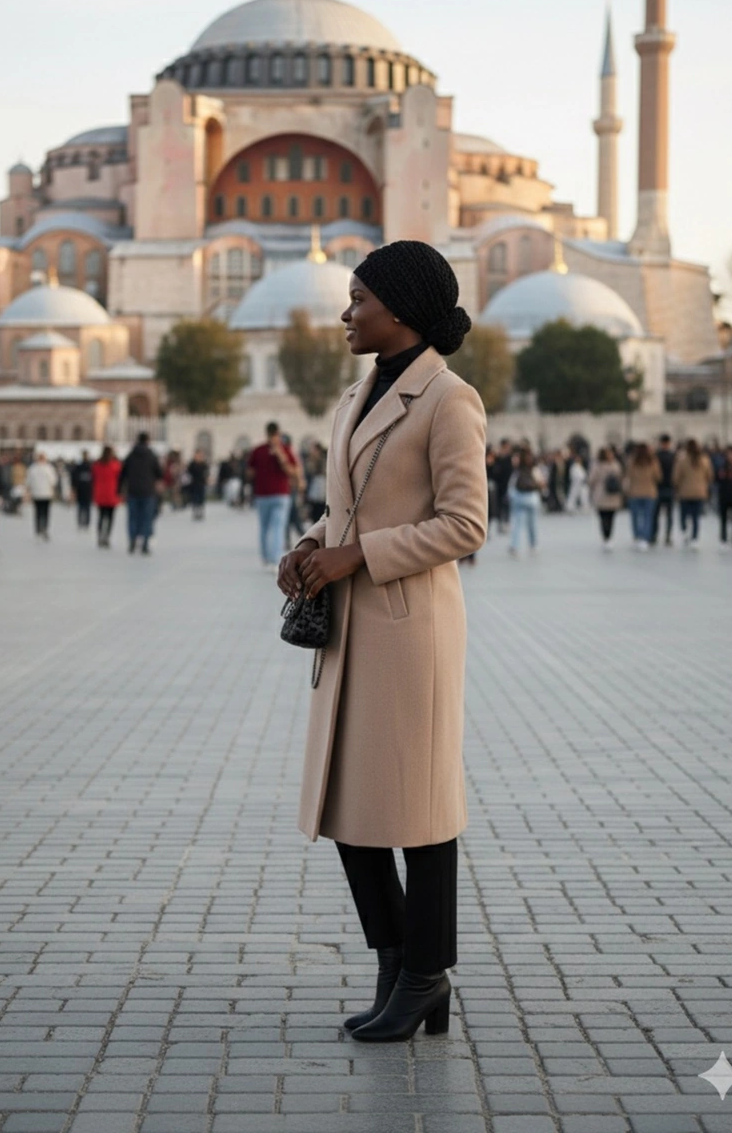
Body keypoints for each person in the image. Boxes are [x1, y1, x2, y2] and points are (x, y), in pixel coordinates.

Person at [278, 239, 487, 1043]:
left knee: (421, 814)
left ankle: (427, 974)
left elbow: (464, 525)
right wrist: (306, 547)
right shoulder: (356, 393)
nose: (345, 313)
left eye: (359, 299)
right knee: (348, 806)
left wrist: (356, 555)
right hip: (349, 629)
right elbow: (348, 506)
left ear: (398, 310)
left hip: (408, 632)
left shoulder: (448, 399)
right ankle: (396, 962)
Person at [247, 423, 298, 569]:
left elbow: (291, 471)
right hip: (265, 495)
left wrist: (280, 456)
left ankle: (273, 558)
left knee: (275, 527)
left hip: (278, 495)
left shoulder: (283, 450)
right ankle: (268, 558)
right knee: (267, 527)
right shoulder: (259, 450)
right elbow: (250, 472)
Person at [118, 432, 163, 554]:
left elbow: (122, 474)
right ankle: (145, 543)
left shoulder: (130, 456)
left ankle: (132, 541)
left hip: (133, 491)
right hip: (148, 492)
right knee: (146, 518)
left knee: (133, 517)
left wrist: (119, 489)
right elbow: (159, 473)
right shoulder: (151, 456)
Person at [673, 439, 714, 548]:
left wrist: (678, 486)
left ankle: (684, 530)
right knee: (696, 517)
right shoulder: (705, 460)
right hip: (700, 492)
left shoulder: (682, 460)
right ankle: (694, 538)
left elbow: (676, 477)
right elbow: (710, 476)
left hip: (685, 491)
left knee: (684, 514)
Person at [624, 442, 661, 551]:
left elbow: (628, 475)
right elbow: (658, 476)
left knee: (635, 517)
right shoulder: (652, 461)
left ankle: (637, 536)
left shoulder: (632, 461)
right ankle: (645, 538)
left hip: (635, 492)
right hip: (649, 492)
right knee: (647, 516)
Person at [508, 448, 545, 555]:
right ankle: (533, 544)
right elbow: (541, 482)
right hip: (532, 497)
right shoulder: (534, 469)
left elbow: (512, 483)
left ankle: (515, 545)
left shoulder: (518, 469)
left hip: (520, 496)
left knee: (518, 523)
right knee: (532, 523)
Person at [588, 446, 623, 550]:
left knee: (603, 518)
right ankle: (609, 537)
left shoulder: (597, 466)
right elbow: (620, 478)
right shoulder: (615, 465)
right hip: (612, 495)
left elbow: (591, 480)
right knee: (611, 518)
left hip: (600, 494)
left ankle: (605, 537)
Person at [92, 445, 122, 547]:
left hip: (100, 494)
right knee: (110, 518)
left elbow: (93, 478)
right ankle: (107, 537)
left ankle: (100, 536)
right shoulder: (115, 465)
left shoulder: (97, 465)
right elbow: (120, 479)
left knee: (101, 517)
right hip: (112, 494)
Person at [25, 452, 58, 540]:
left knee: (37, 512)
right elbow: (53, 481)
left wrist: (28, 491)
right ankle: (44, 528)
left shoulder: (32, 468)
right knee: (45, 513)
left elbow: (28, 481)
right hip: (46, 494)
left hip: (36, 494)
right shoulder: (49, 468)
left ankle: (38, 528)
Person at [651, 434, 675, 546]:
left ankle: (655, 535)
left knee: (657, 514)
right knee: (668, 514)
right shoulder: (673, 456)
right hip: (668, 487)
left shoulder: (656, 456)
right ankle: (667, 536)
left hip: (659, 487)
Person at [492, 439, 514, 532]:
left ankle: (506, 523)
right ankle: (500, 523)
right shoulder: (498, 457)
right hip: (499, 485)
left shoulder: (510, 458)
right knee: (499, 505)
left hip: (508, 485)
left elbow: (511, 471)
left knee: (507, 505)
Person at [72, 451, 94, 529]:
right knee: (82, 508)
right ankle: (81, 523)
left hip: (87, 491)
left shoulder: (91, 467)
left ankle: (86, 523)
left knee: (86, 509)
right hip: (82, 491)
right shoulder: (79, 467)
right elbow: (74, 479)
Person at [185, 450, 209, 521]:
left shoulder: (204, 464)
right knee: (195, 498)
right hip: (194, 484)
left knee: (201, 498)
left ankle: (200, 512)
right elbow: (188, 473)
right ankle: (195, 512)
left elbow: (206, 473)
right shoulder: (192, 464)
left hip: (201, 483)